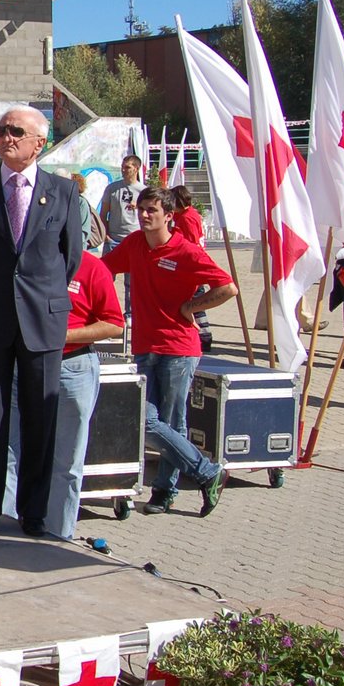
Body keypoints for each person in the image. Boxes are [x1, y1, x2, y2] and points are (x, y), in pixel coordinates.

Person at [0, 106, 85, 537]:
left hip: (41, 321)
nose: (6, 138)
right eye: (1, 131)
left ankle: (34, 513)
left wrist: (37, 295)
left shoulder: (62, 192)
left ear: (38, 142)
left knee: (40, 420)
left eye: (15, 132)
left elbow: (71, 259)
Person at [102, 187, 237, 517]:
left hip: (179, 348)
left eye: (151, 210)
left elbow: (228, 287)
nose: (144, 215)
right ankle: (208, 471)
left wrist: (193, 305)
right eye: (141, 209)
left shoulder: (185, 251)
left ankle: (164, 491)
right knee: (146, 420)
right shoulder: (134, 244)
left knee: (173, 423)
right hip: (145, 346)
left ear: (169, 216)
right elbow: (103, 270)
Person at [3, 251, 125, 540]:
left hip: (72, 368)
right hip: (24, 364)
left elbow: (114, 323)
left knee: (66, 460)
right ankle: (2, 531)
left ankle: (58, 535)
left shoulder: (92, 267)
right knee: (9, 452)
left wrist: (60, 337)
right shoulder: (24, 262)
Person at [169, 184, 214, 350]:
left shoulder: (186, 218)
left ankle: (204, 336)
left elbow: (189, 244)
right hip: (192, 266)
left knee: (195, 302)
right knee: (194, 301)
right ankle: (203, 335)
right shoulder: (190, 214)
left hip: (191, 267)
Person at [100, 155, 144, 253]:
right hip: (113, 240)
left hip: (135, 239)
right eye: (122, 167)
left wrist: (138, 206)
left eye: (127, 167)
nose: (123, 170)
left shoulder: (144, 191)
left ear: (136, 169)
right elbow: (103, 214)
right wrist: (105, 235)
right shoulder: (111, 189)